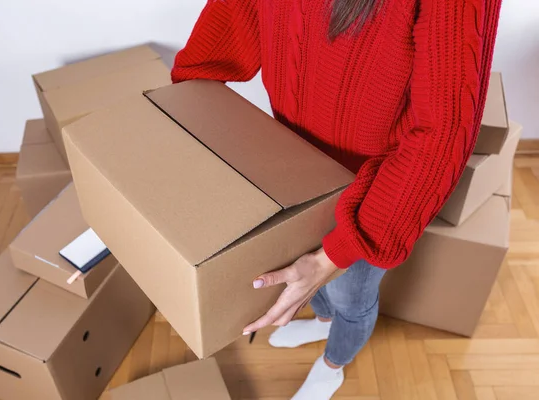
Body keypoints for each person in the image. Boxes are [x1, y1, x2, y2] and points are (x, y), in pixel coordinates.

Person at [171, 0, 502, 398]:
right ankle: (323, 323)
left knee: (352, 297)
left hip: (372, 198)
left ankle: (334, 364)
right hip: (293, 174)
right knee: (310, 281)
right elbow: (226, 26)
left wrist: (338, 251)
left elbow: (444, 132)